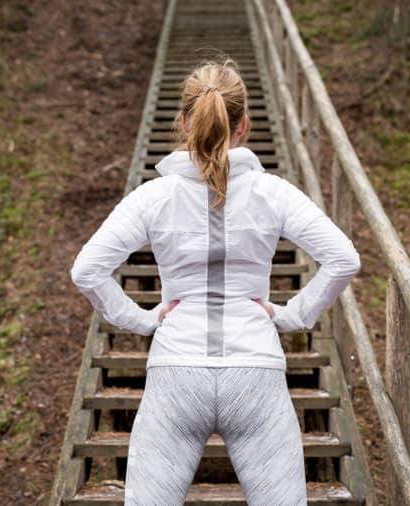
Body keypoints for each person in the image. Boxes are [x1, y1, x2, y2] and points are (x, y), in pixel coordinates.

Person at [70, 59, 361, 506]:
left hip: (175, 371)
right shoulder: (274, 192)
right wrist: (292, 316)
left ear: (184, 122)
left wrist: (144, 321)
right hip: (256, 372)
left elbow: (86, 270)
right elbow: (343, 259)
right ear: (243, 125)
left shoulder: (154, 196)